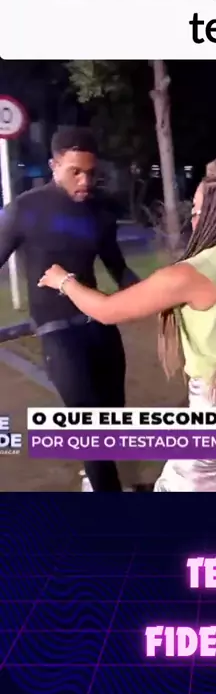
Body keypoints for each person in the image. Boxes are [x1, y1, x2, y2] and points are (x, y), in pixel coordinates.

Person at [38, 151, 216, 492]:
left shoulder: (191, 275)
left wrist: (64, 281)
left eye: (197, 211)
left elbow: (107, 310)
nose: (194, 219)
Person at [0, 127, 139, 491]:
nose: (85, 181)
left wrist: (154, 294)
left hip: (100, 323)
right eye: (75, 172)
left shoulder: (101, 211)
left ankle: (96, 481)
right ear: (54, 165)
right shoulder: (24, 209)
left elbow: (118, 267)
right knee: (89, 426)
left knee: (113, 420)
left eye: (91, 173)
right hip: (57, 331)